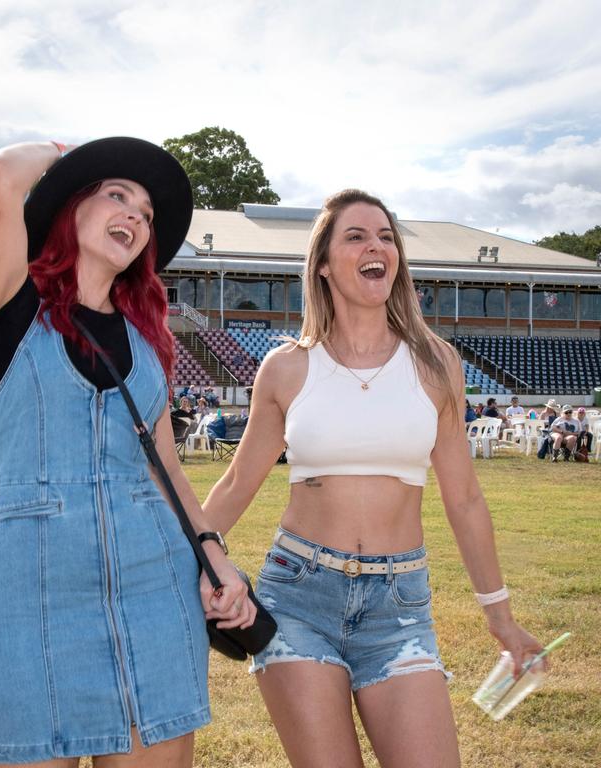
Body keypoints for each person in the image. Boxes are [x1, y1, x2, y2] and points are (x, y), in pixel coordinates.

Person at [199, 189, 543, 767]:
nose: (375, 245)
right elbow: (237, 484)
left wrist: (500, 616)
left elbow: (464, 499)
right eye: (355, 236)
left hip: (399, 603)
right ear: (324, 264)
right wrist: (193, 566)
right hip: (298, 595)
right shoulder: (287, 367)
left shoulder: (436, 364)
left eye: (385, 236)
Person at [0, 137, 251, 765]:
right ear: (72, 206)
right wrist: (66, 154)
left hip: (154, 591)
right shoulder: (10, 307)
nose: (136, 217)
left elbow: (167, 467)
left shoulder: (150, 343)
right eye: (117, 195)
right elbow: (0, 179)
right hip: (27, 602)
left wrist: (214, 557)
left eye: (146, 213)